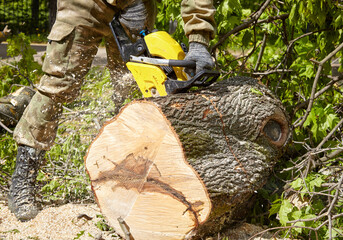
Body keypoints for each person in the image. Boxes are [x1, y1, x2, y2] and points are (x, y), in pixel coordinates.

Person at [6, 0, 216, 221]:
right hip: (85, 4)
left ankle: (126, 178)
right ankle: (24, 177)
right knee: (59, 85)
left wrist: (199, 40)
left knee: (136, 88)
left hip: (137, 4)